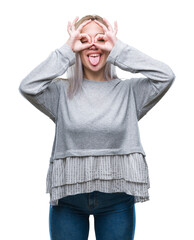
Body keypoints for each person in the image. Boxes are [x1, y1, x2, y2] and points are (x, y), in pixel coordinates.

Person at [18, 14, 175, 240]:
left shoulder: (130, 92)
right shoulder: (59, 93)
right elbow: (27, 87)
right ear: (76, 47)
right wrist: (66, 50)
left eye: (101, 39)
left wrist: (118, 49)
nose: (93, 45)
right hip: (68, 200)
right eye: (84, 40)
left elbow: (165, 76)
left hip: (116, 200)